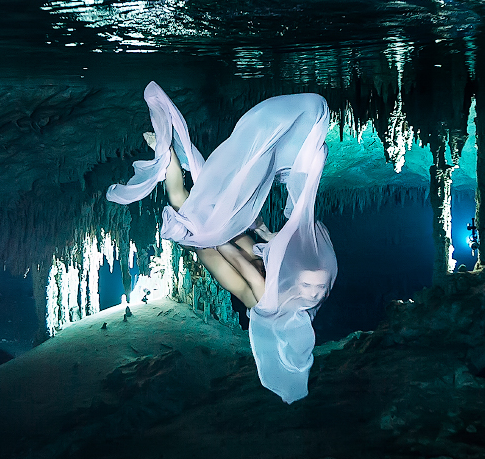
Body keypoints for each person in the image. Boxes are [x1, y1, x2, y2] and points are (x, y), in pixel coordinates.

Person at [107, 82, 337, 403]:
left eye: (314, 289)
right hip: (240, 253)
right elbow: (271, 245)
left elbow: (242, 262)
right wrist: (259, 229)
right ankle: (174, 158)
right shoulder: (297, 293)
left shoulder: (270, 303)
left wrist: (214, 237)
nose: (313, 294)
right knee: (224, 208)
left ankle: (164, 150)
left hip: (218, 257)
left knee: (182, 200)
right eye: (313, 288)